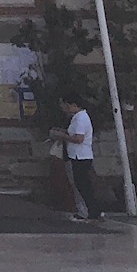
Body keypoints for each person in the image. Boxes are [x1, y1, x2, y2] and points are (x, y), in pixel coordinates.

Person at [57, 93, 97, 221]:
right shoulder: (77, 117)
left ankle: (91, 210)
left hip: (81, 156)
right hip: (77, 155)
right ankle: (91, 210)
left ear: (74, 105)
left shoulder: (81, 118)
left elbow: (79, 138)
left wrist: (63, 136)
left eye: (68, 105)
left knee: (83, 185)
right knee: (82, 184)